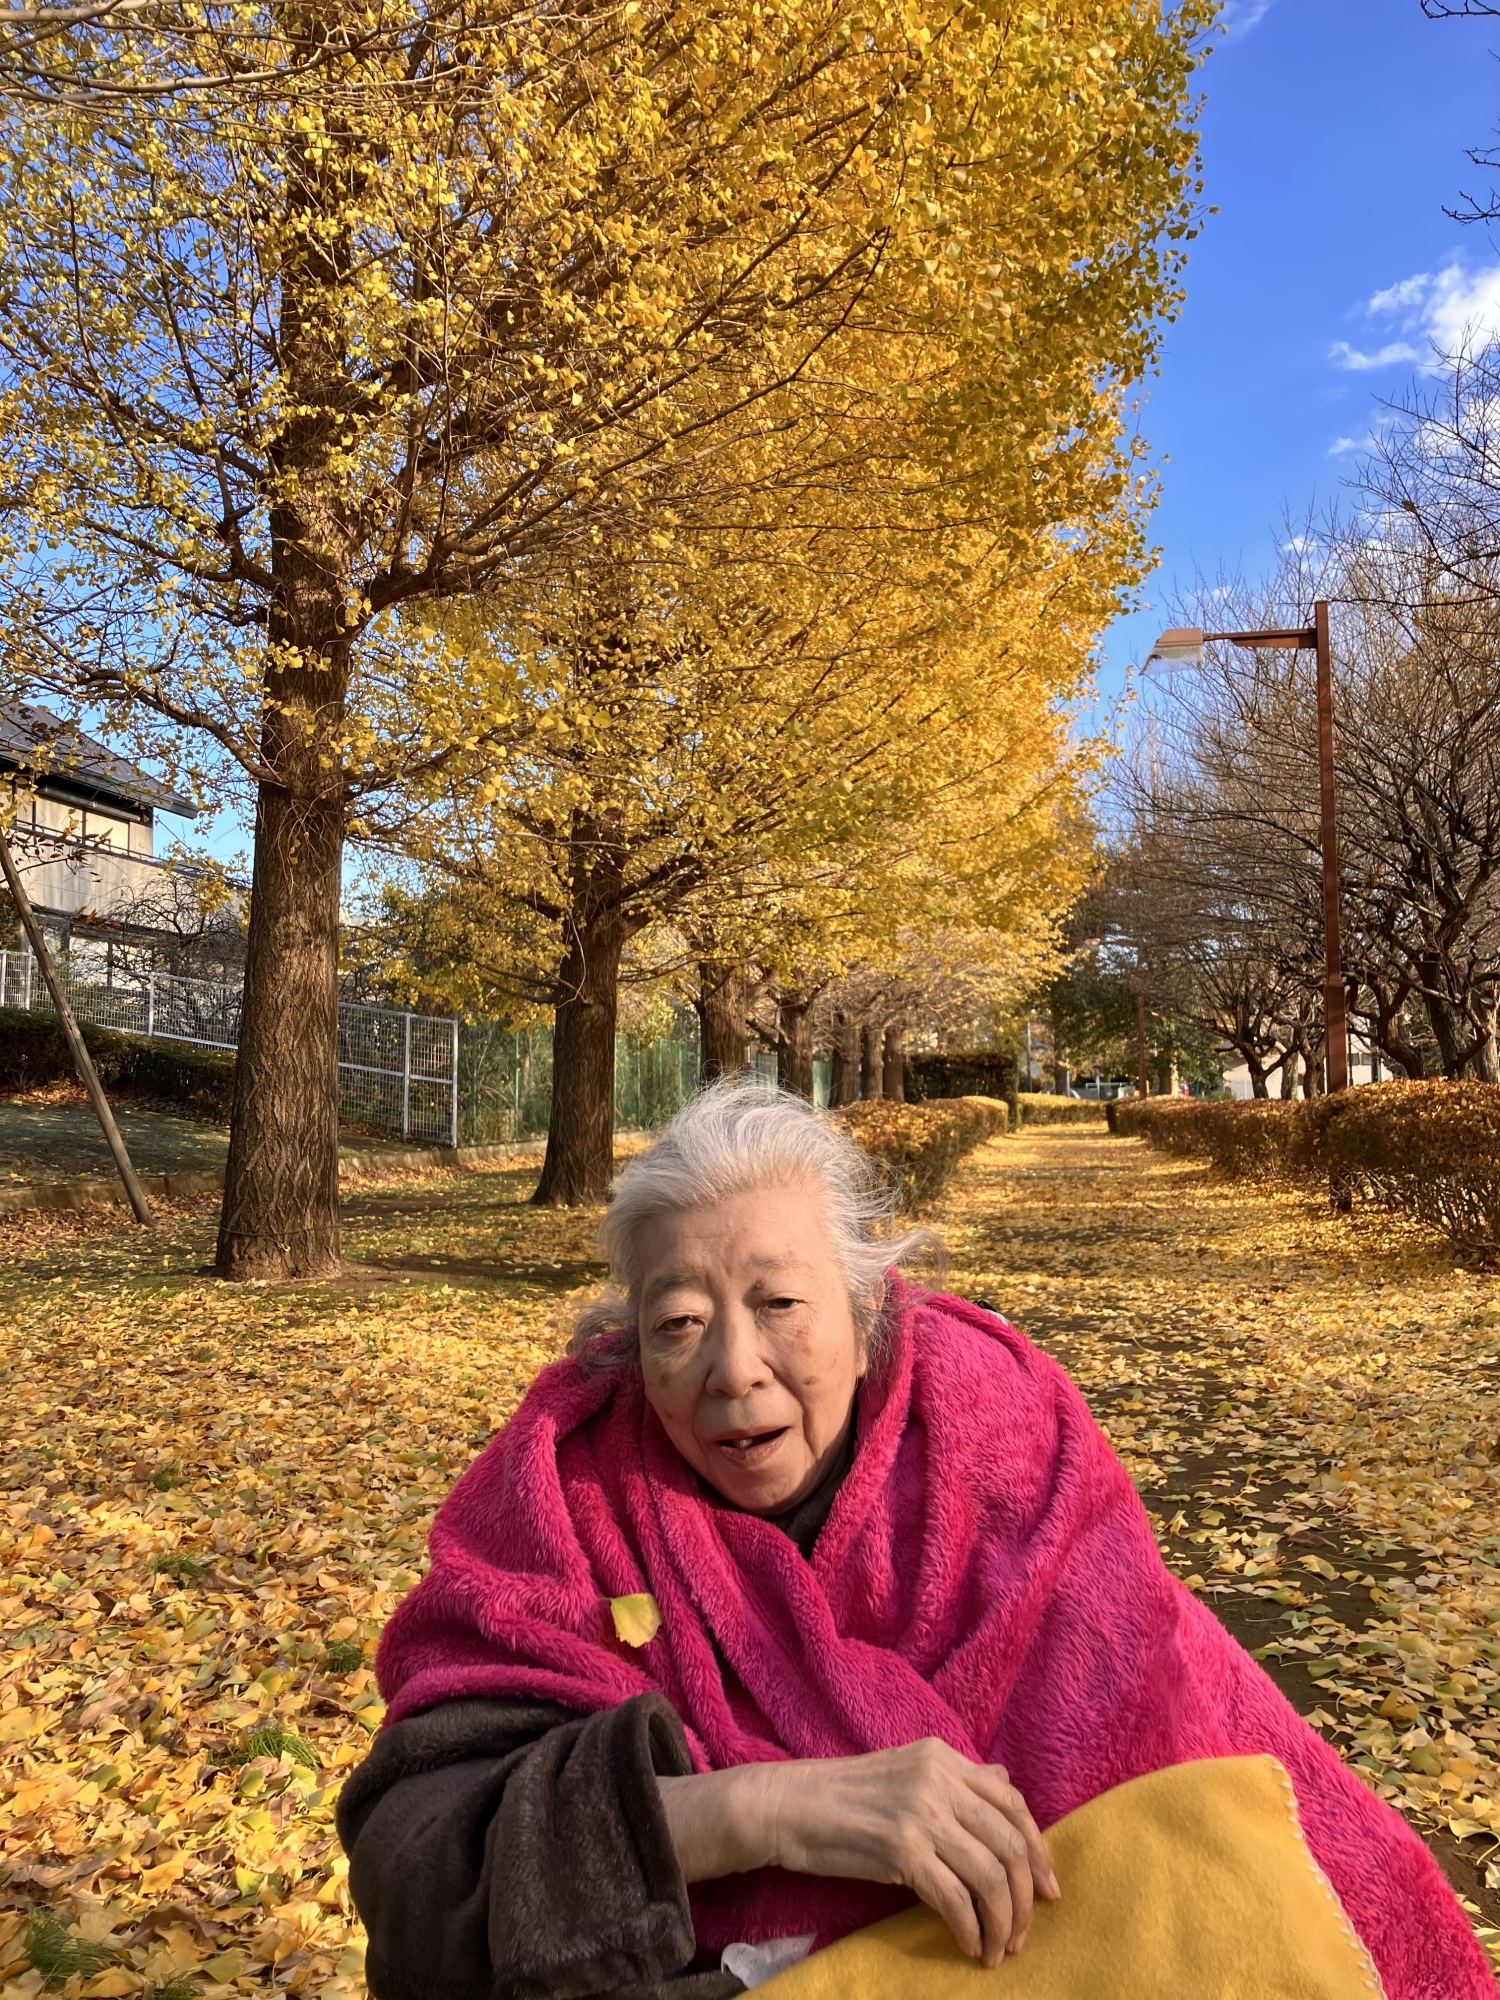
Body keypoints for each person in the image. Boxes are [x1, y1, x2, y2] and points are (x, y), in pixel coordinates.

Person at [337, 1080, 1490, 2000]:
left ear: (868, 1305)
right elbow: (417, 1863)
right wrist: (757, 1808)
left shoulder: (1012, 1452)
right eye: (678, 1322)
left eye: (780, 1303)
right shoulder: (560, 1497)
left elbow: (1163, 1742)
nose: (732, 1367)